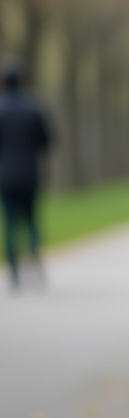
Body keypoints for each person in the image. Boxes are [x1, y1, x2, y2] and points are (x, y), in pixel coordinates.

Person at [0, 60, 51, 289]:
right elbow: (47, 141)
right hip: (29, 173)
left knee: (10, 223)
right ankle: (35, 261)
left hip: (6, 176)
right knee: (31, 220)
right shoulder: (33, 108)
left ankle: (15, 272)